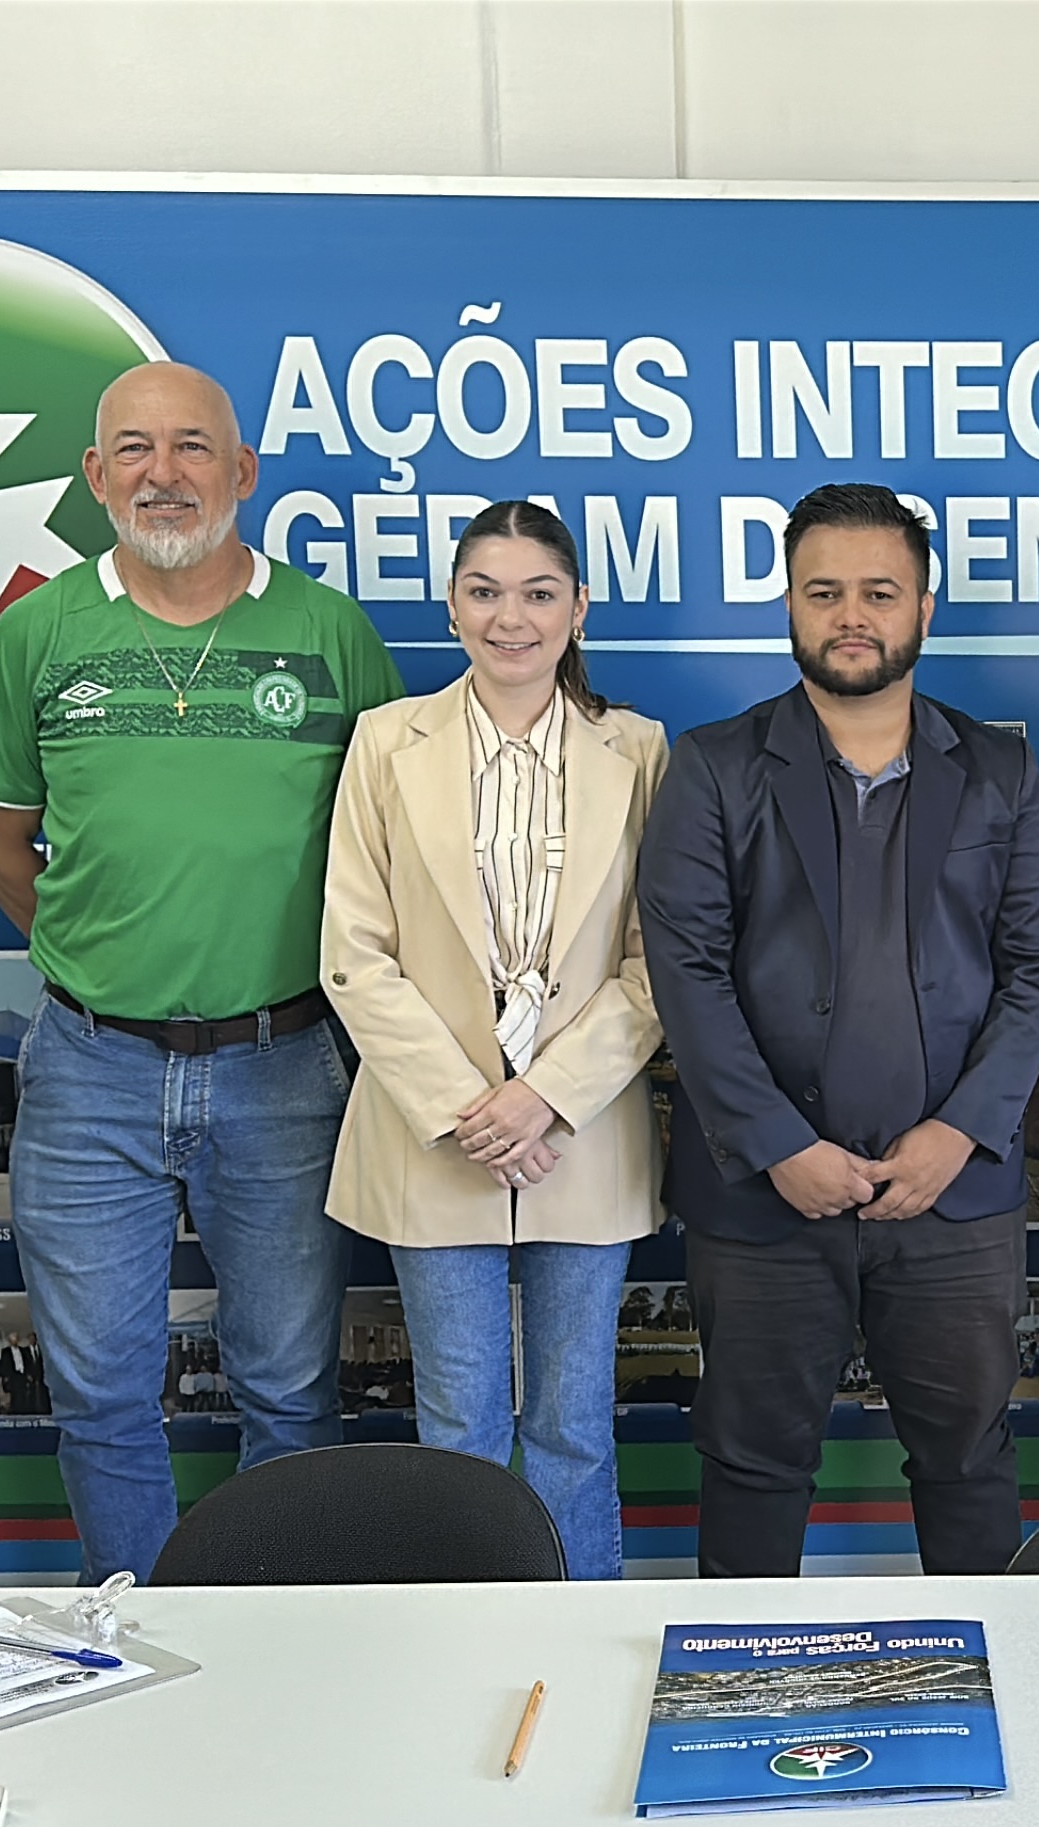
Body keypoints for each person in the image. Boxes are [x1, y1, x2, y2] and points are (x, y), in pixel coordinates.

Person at [0, 362, 407, 1584]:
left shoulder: (330, 631)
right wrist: (101, 951)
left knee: (291, 1390)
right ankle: (138, 1637)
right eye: (135, 450)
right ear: (95, 477)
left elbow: (393, 843)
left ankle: (278, 1637)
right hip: (90, 1068)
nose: (164, 475)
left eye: (193, 447)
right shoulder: (42, 631)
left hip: (287, 1064)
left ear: (242, 471)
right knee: (101, 1395)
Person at [638, 482, 1039, 1576]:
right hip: (765, 1198)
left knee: (969, 1462)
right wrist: (778, 1144)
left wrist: (957, 1134)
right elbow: (686, 973)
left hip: (953, 1196)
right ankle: (739, 1678)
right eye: (823, 592)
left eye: (880, 592)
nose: (851, 616)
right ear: (788, 603)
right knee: (751, 1466)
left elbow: (1034, 974)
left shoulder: (1002, 772)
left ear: (925, 606)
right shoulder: (715, 766)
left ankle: (981, 1680)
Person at [321, 499, 668, 1579]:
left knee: (573, 1429)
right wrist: (468, 1107)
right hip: (436, 1133)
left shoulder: (639, 749)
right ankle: (459, 1648)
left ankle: (583, 1632)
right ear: (451, 606)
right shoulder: (387, 742)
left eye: (537, 594)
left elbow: (658, 962)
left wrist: (545, 1097)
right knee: (458, 1428)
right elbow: (354, 952)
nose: (509, 619)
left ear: (578, 608)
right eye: (484, 592)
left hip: (582, 1132)